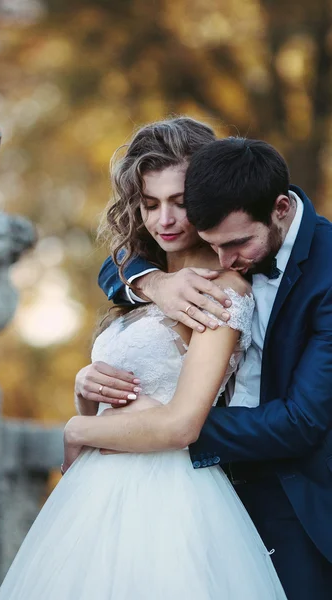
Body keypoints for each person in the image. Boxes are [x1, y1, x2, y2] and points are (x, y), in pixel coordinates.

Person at [0, 118, 286, 600]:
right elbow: (124, 397)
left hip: (168, 497)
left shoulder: (223, 292)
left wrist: (74, 429)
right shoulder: (139, 278)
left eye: (180, 203)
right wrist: (86, 390)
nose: (164, 221)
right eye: (150, 205)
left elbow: (181, 424)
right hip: (98, 491)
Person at [86, 135, 332, 600]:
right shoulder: (222, 235)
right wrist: (154, 282)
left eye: (236, 244)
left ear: (280, 209)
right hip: (192, 494)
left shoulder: (327, 270)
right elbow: (117, 264)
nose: (223, 261)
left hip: (296, 499)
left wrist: (164, 423)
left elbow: (302, 421)